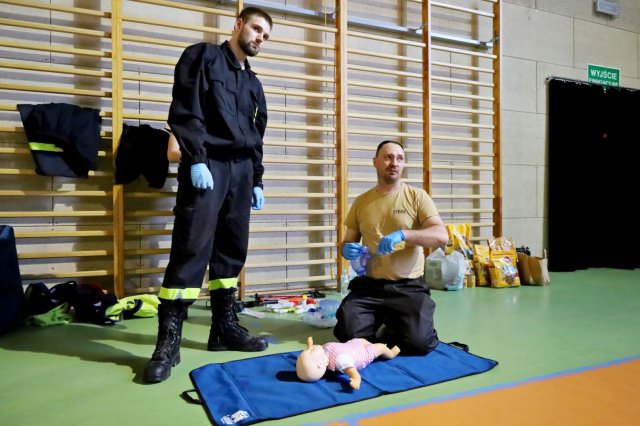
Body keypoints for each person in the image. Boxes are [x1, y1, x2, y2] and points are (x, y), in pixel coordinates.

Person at [143, 7, 273, 384]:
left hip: (241, 171)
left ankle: (224, 329)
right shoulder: (202, 57)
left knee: (232, 249)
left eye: (265, 35)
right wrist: (197, 158)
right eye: (255, 29)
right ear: (238, 25)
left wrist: (257, 180)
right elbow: (186, 112)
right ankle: (168, 343)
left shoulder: (254, 86)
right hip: (208, 165)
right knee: (191, 248)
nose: (259, 38)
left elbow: (257, 139)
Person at [334, 140, 449, 355]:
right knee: (347, 333)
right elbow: (348, 241)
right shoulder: (361, 202)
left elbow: (441, 236)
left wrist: (404, 234)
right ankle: (387, 322)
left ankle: (395, 324)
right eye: (387, 157)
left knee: (419, 344)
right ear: (375, 162)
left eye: (399, 158)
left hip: (408, 287)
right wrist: (346, 249)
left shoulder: (417, 197)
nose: (393, 163)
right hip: (370, 287)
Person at [296, 336, 400, 390]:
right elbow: (354, 373)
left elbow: (314, 354)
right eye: (311, 350)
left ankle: (373, 345)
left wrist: (311, 346)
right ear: (321, 364)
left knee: (363, 340)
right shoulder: (341, 361)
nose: (309, 348)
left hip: (353, 345)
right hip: (363, 354)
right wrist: (356, 380)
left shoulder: (322, 354)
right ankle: (391, 353)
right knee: (381, 347)